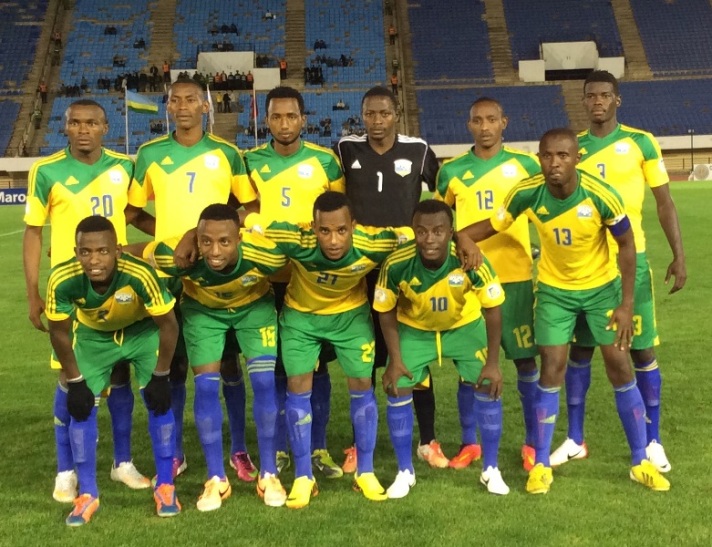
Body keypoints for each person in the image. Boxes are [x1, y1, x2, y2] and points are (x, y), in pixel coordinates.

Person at [458, 128, 670, 494]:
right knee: (551, 368)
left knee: (620, 367)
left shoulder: (601, 194)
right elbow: (492, 225)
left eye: (562, 156)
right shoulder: (527, 192)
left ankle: (640, 461)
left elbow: (626, 244)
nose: (554, 163)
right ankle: (540, 465)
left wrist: (626, 304)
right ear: (539, 158)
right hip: (555, 293)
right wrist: (462, 236)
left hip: (602, 290)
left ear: (577, 158)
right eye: (547, 156)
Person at [550, 70, 686, 473]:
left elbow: (664, 202)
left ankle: (653, 440)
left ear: (616, 100)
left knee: (641, 349)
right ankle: (575, 439)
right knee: (580, 350)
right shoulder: (574, 148)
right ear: (583, 100)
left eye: (605, 95)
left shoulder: (641, 142)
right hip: (586, 264)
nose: (598, 101)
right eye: (591, 95)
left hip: (632, 261)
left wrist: (678, 255)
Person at [129, 76, 259, 487]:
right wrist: (167, 239)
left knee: (228, 363)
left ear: (206, 106)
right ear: (168, 107)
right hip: (168, 275)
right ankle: (175, 454)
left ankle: (238, 449)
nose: (183, 106)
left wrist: (206, 237)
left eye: (191, 99)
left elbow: (251, 206)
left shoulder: (227, 153)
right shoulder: (149, 154)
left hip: (215, 273)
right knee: (175, 363)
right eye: (176, 100)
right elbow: (133, 212)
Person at [23, 99, 155, 503]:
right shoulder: (46, 171)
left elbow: (135, 216)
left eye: (92, 123)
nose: (84, 130)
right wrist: (33, 291)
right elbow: (33, 233)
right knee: (70, 378)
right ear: (65, 127)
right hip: (70, 292)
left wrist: (179, 237)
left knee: (120, 374)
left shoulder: (124, 167)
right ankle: (66, 471)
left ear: (105, 128)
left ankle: (122, 463)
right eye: (76, 122)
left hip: (118, 289)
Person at [261, 191, 408, 508]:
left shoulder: (373, 242)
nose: (333, 240)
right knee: (297, 387)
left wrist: (462, 240)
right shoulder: (294, 238)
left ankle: (365, 472)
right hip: (301, 318)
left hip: (350, 317)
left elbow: (413, 236)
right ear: (312, 228)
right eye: (324, 231)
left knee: (363, 385)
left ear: (353, 226)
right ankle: (303, 477)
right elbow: (249, 228)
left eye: (341, 230)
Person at [145, 204, 288, 510]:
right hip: (204, 312)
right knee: (206, 387)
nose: (214, 251)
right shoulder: (177, 254)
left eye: (224, 242)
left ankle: (269, 474)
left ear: (240, 238)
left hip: (254, 309)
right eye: (206, 241)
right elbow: (139, 252)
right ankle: (216, 479)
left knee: (264, 383)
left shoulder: (266, 253)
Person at [46, 216, 180, 526]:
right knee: (81, 408)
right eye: (86, 252)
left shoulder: (140, 273)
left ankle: (165, 486)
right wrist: (76, 380)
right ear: (76, 252)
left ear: (118, 251)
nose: (94, 260)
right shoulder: (62, 278)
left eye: (103, 251)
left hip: (141, 332)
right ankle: (87, 494)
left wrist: (161, 375)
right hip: (95, 337)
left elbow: (168, 324)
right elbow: (59, 333)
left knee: (159, 402)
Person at [240, 85, 345, 480]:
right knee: (278, 366)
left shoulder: (326, 162)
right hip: (266, 281)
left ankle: (318, 448)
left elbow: (341, 215)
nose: (284, 124)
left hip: (314, 281)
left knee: (317, 367)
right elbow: (241, 210)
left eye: (291, 116)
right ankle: (282, 447)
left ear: (303, 119)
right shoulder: (250, 162)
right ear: (265, 120)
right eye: (276, 116)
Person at [334, 85, 440, 474]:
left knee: (412, 353)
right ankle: (357, 443)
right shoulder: (346, 149)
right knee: (363, 356)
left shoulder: (419, 150)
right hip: (360, 271)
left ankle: (427, 440)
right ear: (361, 116)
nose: (376, 121)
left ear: (397, 115)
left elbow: (443, 196)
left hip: (405, 269)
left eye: (384, 113)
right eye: (370, 114)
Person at [434, 97, 541, 471]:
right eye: (477, 120)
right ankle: (470, 442)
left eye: (491, 119)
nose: (484, 127)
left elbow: (543, 212)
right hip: (470, 283)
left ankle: (532, 443)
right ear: (469, 125)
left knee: (525, 361)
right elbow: (439, 221)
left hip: (515, 277)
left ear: (504, 122)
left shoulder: (526, 166)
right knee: (471, 365)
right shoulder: (451, 171)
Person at [376, 200, 508, 498]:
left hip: (463, 326)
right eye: (422, 231)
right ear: (414, 231)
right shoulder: (396, 263)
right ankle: (404, 472)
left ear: (451, 233)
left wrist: (493, 362)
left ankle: (491, 469)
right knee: (397, 386)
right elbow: (385, 310)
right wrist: (395, 359)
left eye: (438, 231)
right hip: (416, 329)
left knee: (487, 385)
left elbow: (493, 308)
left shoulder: (470, 258)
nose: (429, 239)